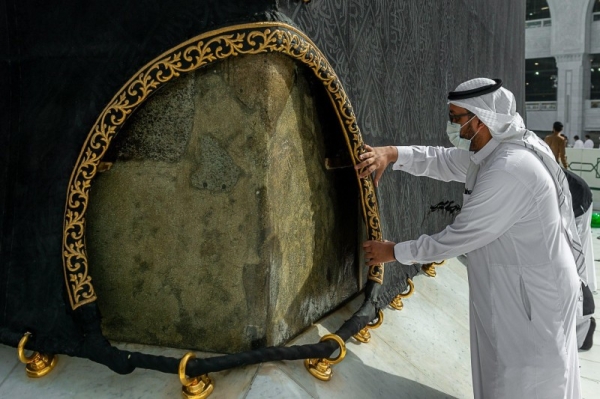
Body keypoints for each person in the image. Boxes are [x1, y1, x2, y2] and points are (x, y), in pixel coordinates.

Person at [356, 78, 585, 398]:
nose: (455, 128)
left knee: (528, 381)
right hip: (515, 288)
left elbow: (461, 236)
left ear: (481, 118)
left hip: (532, 298)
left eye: (457, 119)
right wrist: (392, 154)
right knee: (505, 376)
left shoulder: (511, 168)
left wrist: (395, 252)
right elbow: (443, 160)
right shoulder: (495, 153)